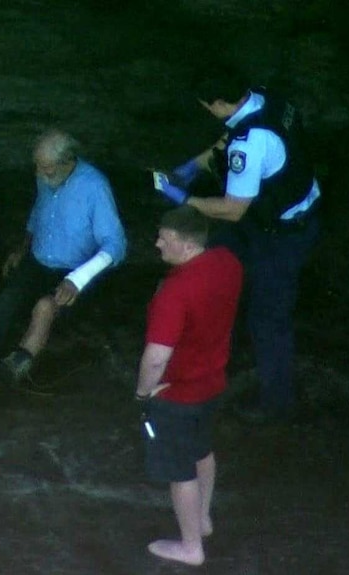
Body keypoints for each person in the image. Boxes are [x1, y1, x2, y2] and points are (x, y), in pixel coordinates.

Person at [153, 82, 321, 421]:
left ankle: (277, 404)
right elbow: (226, 140)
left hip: (281, 234)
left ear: (217, 103)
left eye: (206, 105)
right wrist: (191, 167)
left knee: (268, 318)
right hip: (276, 213)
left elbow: (232, 209)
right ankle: (197, 341)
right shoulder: (268, 99)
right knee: (211, 261)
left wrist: (185, 199)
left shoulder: (251, 142)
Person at [0, 129, 127, 384]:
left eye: (46, 168)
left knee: (45, 307)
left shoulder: (95, 187)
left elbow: (116, 246)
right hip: (38, 260)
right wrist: (23, 247)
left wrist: (78, 278)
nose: (40, 174)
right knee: (7, 298)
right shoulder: (47, 176)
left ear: (68, 162)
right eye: (38, 166)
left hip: (74, 269)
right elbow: (39, 213)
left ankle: (15, 366)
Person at [135, 205, 243, 567]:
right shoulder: (228, 263)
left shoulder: (175, 292)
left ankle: (190, 547)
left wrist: (143, 391)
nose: (157, 244)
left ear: (183, 244)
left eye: (164, 239)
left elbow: (155, 357)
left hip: (177, 395)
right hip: (212, 383)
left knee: (181, 472)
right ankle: (203, 519)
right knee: (202, 451)